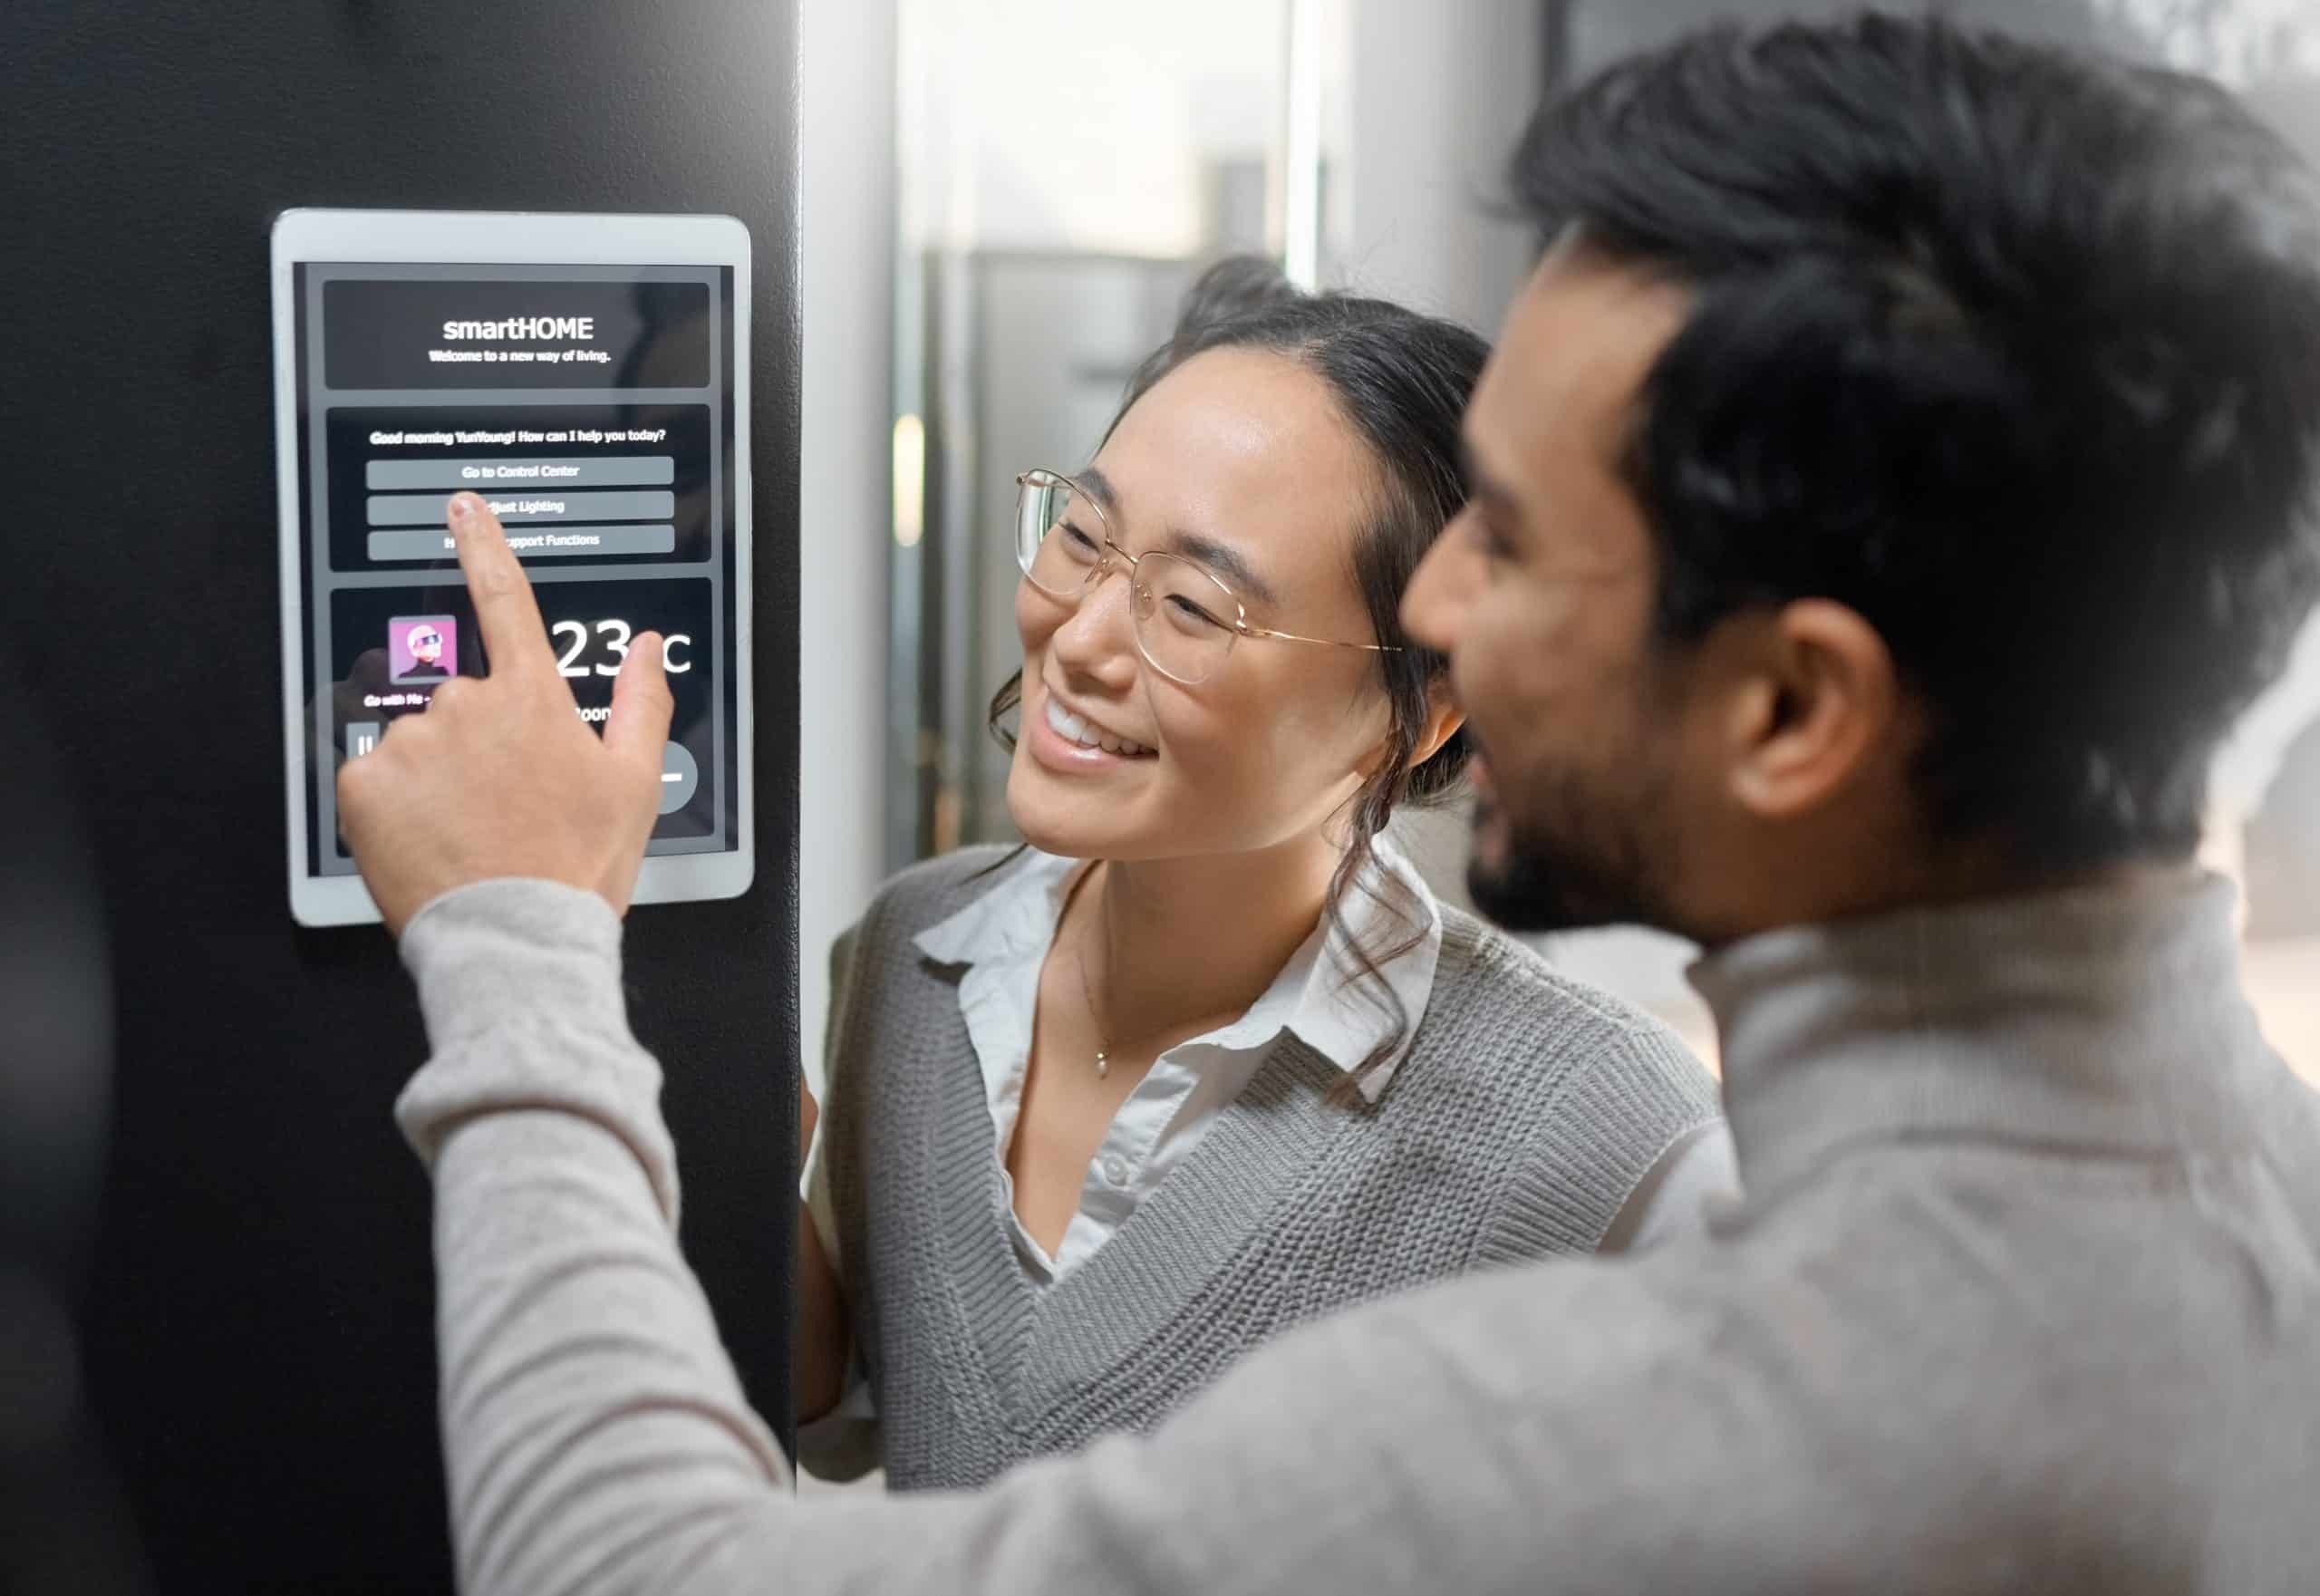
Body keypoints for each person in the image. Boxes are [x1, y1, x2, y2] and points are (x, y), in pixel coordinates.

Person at [342, 15, 2320, 1593]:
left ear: (1794, 703)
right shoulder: (2250, 1200)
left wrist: (518, 935)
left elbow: (619, 1566)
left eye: (1517, 547)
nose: (1441, 614)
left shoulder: (1643, 1405)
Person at [793, 260, 1728, 1489]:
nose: (1077, 641)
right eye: (1081, 535)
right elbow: (850, 1404)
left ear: (1426, 706)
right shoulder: (909, 958)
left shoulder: (1607, 1136)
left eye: (1192, 606)